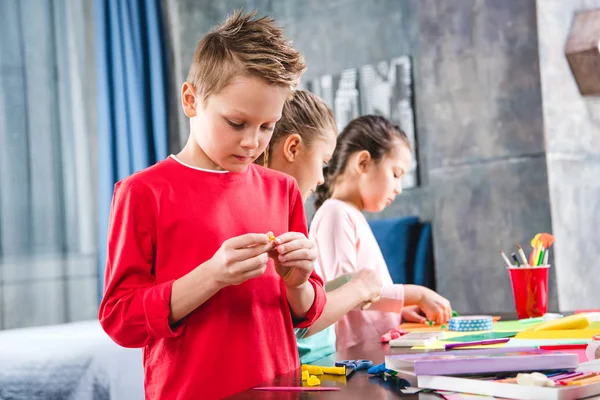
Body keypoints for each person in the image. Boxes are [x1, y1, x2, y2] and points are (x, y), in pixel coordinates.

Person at [98, 11, 325, 399]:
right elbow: (121, 320)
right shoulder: (142, 192)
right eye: (236, 123)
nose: (253, 142)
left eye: (267, 126)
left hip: (282, 390)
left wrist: (298, 282)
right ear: (191, 100)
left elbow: (305, 310)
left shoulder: (283, 190)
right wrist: (212, 276)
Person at [258, 90, 383, 363]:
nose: (319, 179)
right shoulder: (264, 222)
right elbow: (296, 321)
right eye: (322, 163)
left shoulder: (282, 216)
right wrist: (358, 288)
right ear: (292, 148)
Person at [312, 115, 453, 350]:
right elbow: (345, 291)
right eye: (396, 174)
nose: (398, 188)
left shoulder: (350, 213)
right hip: (357, 355)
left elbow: (364, 297)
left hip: (373, 349)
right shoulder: (335, 213)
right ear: (363, 163)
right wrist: (415, 293)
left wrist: (396, 309)